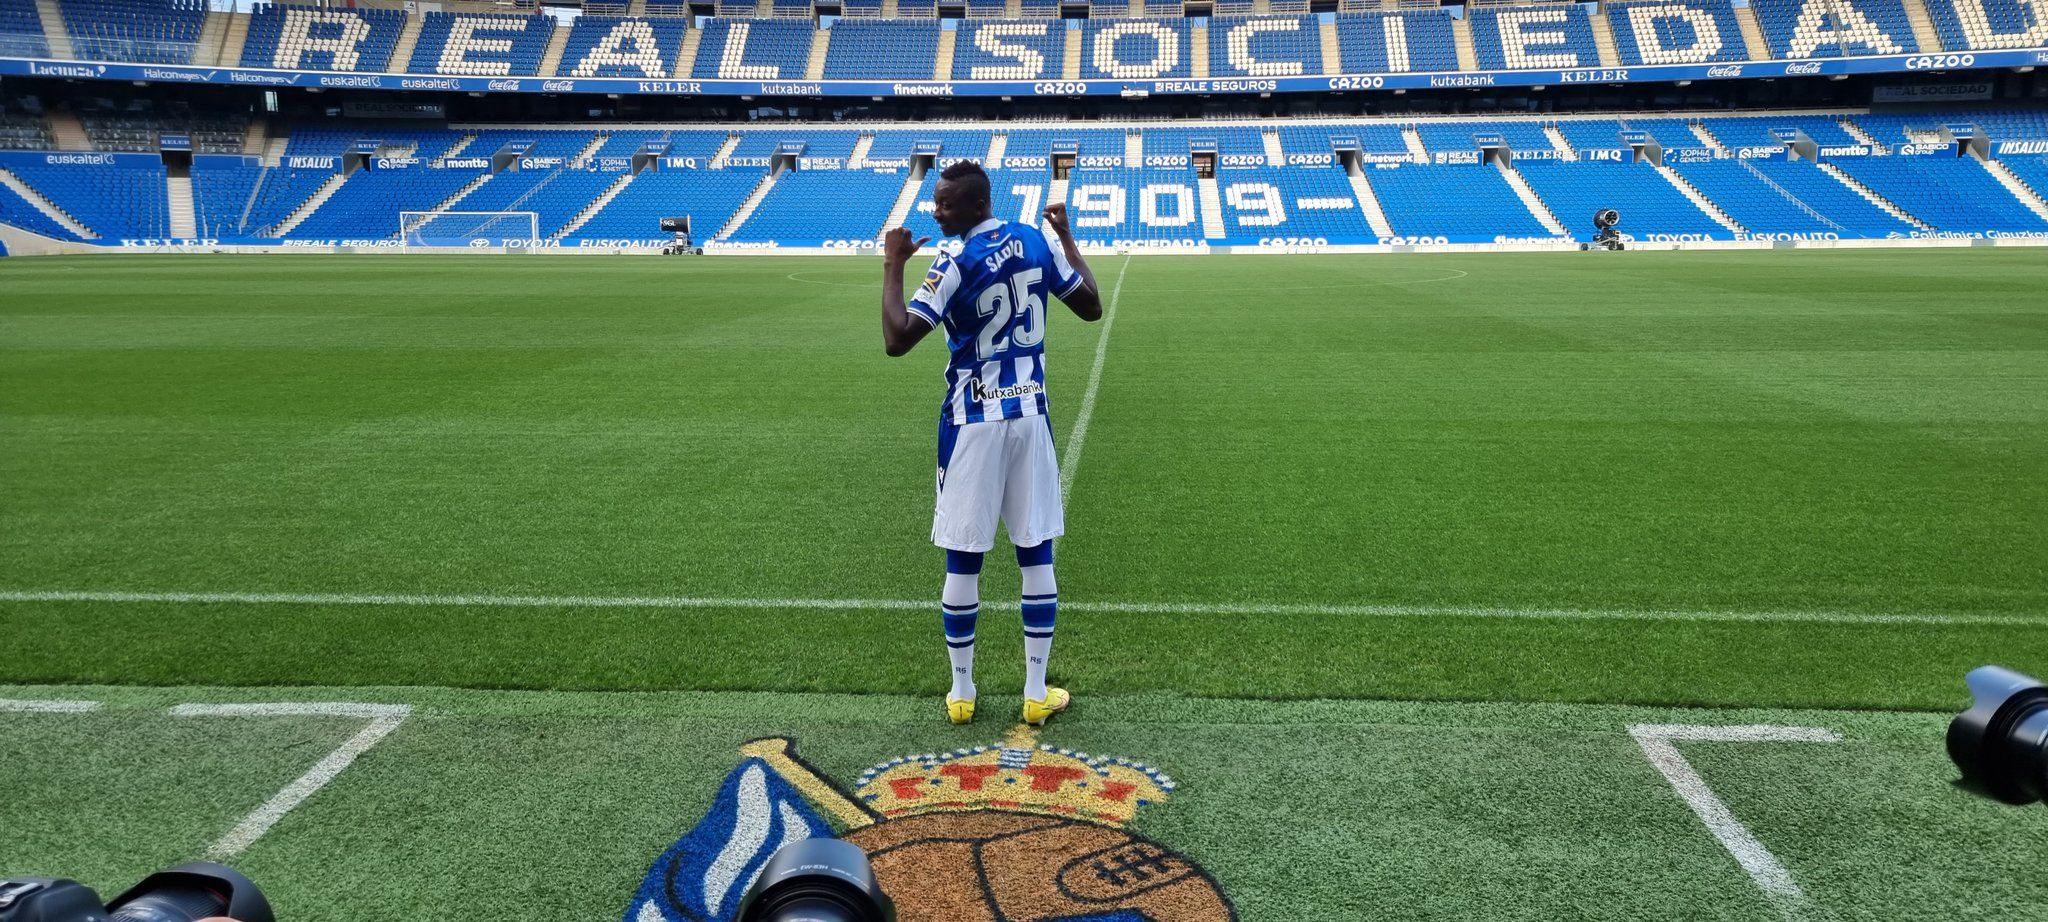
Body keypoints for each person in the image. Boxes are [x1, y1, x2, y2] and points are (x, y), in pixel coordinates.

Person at [879, 160, 1103, 726]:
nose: (936, 211)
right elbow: (1090, 304)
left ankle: (962, 692)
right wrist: (1067, 237)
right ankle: (1034, 691)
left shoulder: (953, 259)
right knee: (1036, 551)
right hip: (1029, 415)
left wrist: (893, 266)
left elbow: (898, 340)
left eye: (946, 204)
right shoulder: (1033, 240)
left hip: (972, 421)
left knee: (964, 557)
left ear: (976, 206)